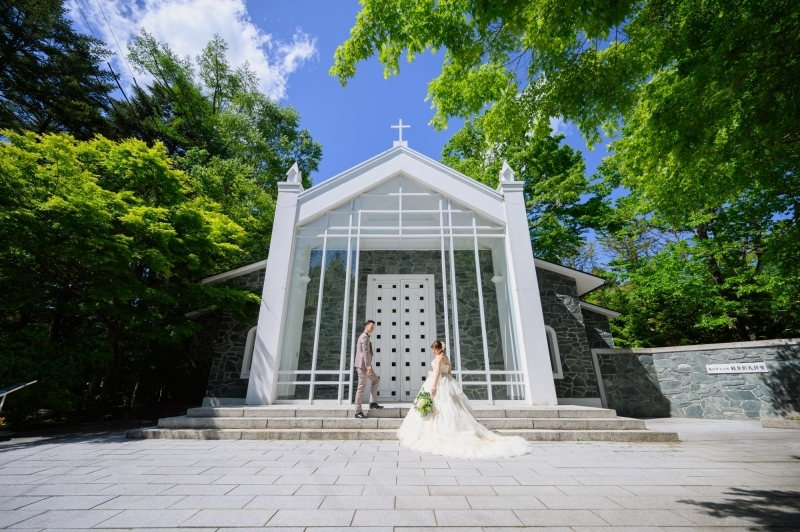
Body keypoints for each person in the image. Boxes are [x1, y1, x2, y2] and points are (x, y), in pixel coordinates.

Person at [396, 340, 531, 458]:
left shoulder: (438, 358)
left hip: (439, 382)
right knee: (451, 407)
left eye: (433, 349)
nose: (432, 351)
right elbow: (449, 372)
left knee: (439, 408)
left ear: (438, 348)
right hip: (447, 381)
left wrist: (434, 386)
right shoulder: (446, 357)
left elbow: (437, 372)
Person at [354, 319, 383, 418]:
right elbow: (365, 352)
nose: (373, 328)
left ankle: (373, 402)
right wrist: (368, 366)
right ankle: (358, 411)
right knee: (361, 387)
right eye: (371, 326)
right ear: (366, 326)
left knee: (376, 380)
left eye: (374, 327)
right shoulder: (364, 337)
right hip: (363, 366)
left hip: (366, 365)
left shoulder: (366, 337)